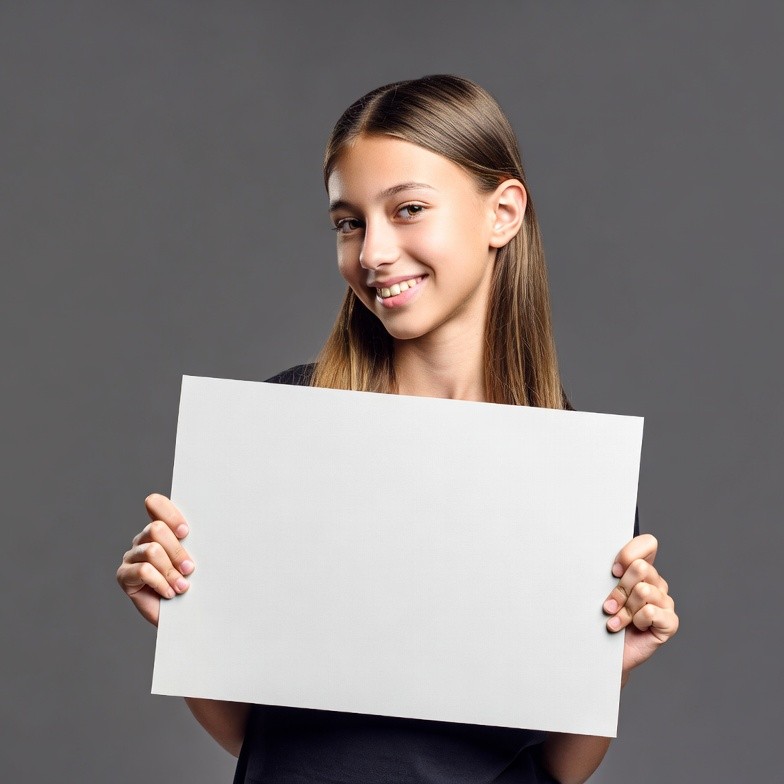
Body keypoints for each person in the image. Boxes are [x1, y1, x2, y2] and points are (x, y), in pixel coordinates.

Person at [116, 74, 679, 784]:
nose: (373, 251)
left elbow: (561, 770)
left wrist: (613, 664)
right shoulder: (284, 430)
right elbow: (259, 740)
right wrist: (184, 624)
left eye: (408, 209)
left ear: (502, 212)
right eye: (348, 222)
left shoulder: (571, 472)